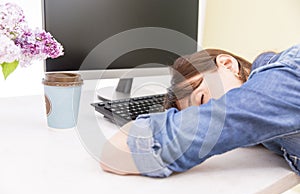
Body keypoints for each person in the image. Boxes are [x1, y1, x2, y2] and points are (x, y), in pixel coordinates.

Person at [100, 45, 300, 177]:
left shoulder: (285, 78)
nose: (209, 113)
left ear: (227, 64)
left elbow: (119, 150)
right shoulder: (274, 124)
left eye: (202, 99)